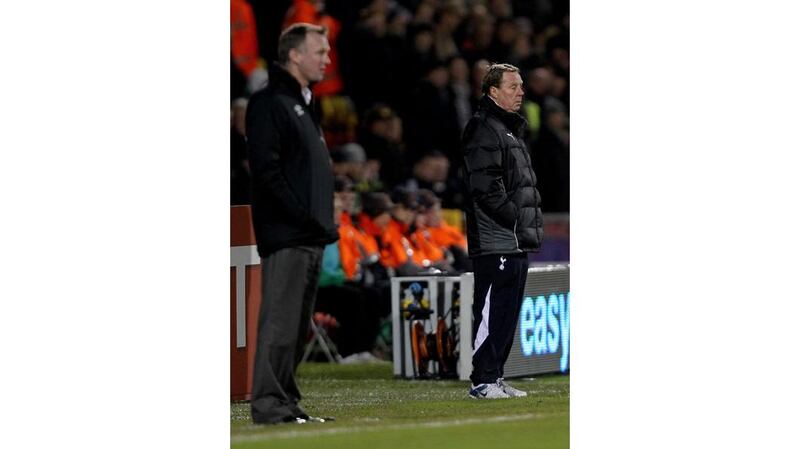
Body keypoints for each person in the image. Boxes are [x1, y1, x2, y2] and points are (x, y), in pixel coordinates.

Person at [245, 23, 338, 425]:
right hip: (289, 232)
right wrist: (301, 215)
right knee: (280, 324)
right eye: (319, 51)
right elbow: (266, 170)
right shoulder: (270, 102)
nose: (327, 59)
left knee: (297, 327)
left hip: (310, 232)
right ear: (295, 55)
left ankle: (286, 402)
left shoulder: (302, 102)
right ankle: (268, 404)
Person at [459, 63, 543, 399]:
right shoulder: (484, 127)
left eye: (521, 86)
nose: (520, 92)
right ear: (493, 91)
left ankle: (495, 376)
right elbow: (484, 185)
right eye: (512, 86)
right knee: (492, 308)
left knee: (506, 310)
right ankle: (482, 380)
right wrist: (512, 217)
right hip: (496, 236)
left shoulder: (508, 129)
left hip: (513, 236)